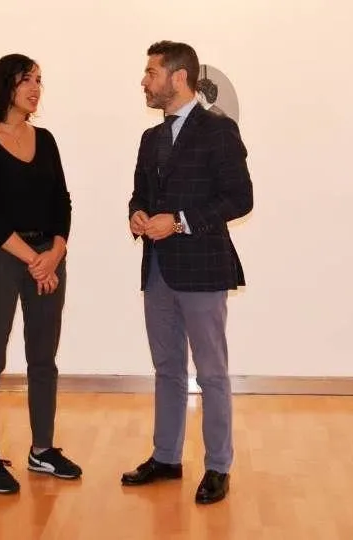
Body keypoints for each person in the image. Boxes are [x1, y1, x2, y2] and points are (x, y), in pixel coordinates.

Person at [122, 40, 253, 505]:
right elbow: (139, 194)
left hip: (202, 269)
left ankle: (218, 466)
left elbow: (239, 199)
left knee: (212, 373)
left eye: (151, 72)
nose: (144, 81)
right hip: (157, 269)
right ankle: (166, 457)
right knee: (167, 369)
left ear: (178, 78)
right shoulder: (149, 139)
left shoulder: (218, 130)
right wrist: (137, 215)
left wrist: (177, 221)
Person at [0, 53, 82, 494]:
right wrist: (33, 260)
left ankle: (43, 450)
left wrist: (54, 253)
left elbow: (62, 203)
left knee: (43, 358)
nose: (35, 87)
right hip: (1, 258)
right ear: (4, 87)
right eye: (26, 80)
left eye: (39, 79)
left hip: (49, 257)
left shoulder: (46, 139)